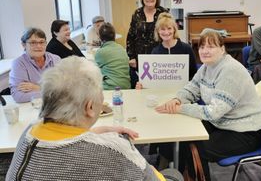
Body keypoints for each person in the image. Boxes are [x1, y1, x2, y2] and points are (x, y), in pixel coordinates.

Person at [6, 56, 183, 181]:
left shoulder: (29, 133)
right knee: (174, 174)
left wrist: (95, 133)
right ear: (90, 107)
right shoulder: (113, 149)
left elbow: (64, 142)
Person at [155, 31, 261, 180]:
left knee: (196, 148)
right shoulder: (206, 67)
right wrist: (177, 99)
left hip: (247, 131)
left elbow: (213, 112)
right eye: (202, 47)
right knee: (182, 135)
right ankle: (177, 175)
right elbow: (191, 88)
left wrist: (181, 108)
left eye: (211, 46)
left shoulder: (230, 70)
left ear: (222, 49)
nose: (205, 51)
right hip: (223, 123)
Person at [126, 0, 168, 88]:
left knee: (159, 86)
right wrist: (131, 57)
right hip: (140, 57)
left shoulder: (163, 13)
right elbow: (130, 36)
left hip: (160, 56)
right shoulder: (137, 14)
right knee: (142, 87)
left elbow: (170, 32)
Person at [9, 28, 60, 103]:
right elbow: (18, 96)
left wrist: (39, 88)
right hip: (32, 107)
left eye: (42, 42)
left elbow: (65, 88)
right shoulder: (18, 64)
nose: (39, 46)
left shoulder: (55, 59)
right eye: (33, 43)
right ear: (24, 45)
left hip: (55, 104)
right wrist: (51, 91)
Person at [95, 22, 131, 90]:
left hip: (111, 88)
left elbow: (95, 71)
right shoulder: (121, 48)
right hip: (127, 86)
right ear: (114, 36)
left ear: (99, 37)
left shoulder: (100, 52)